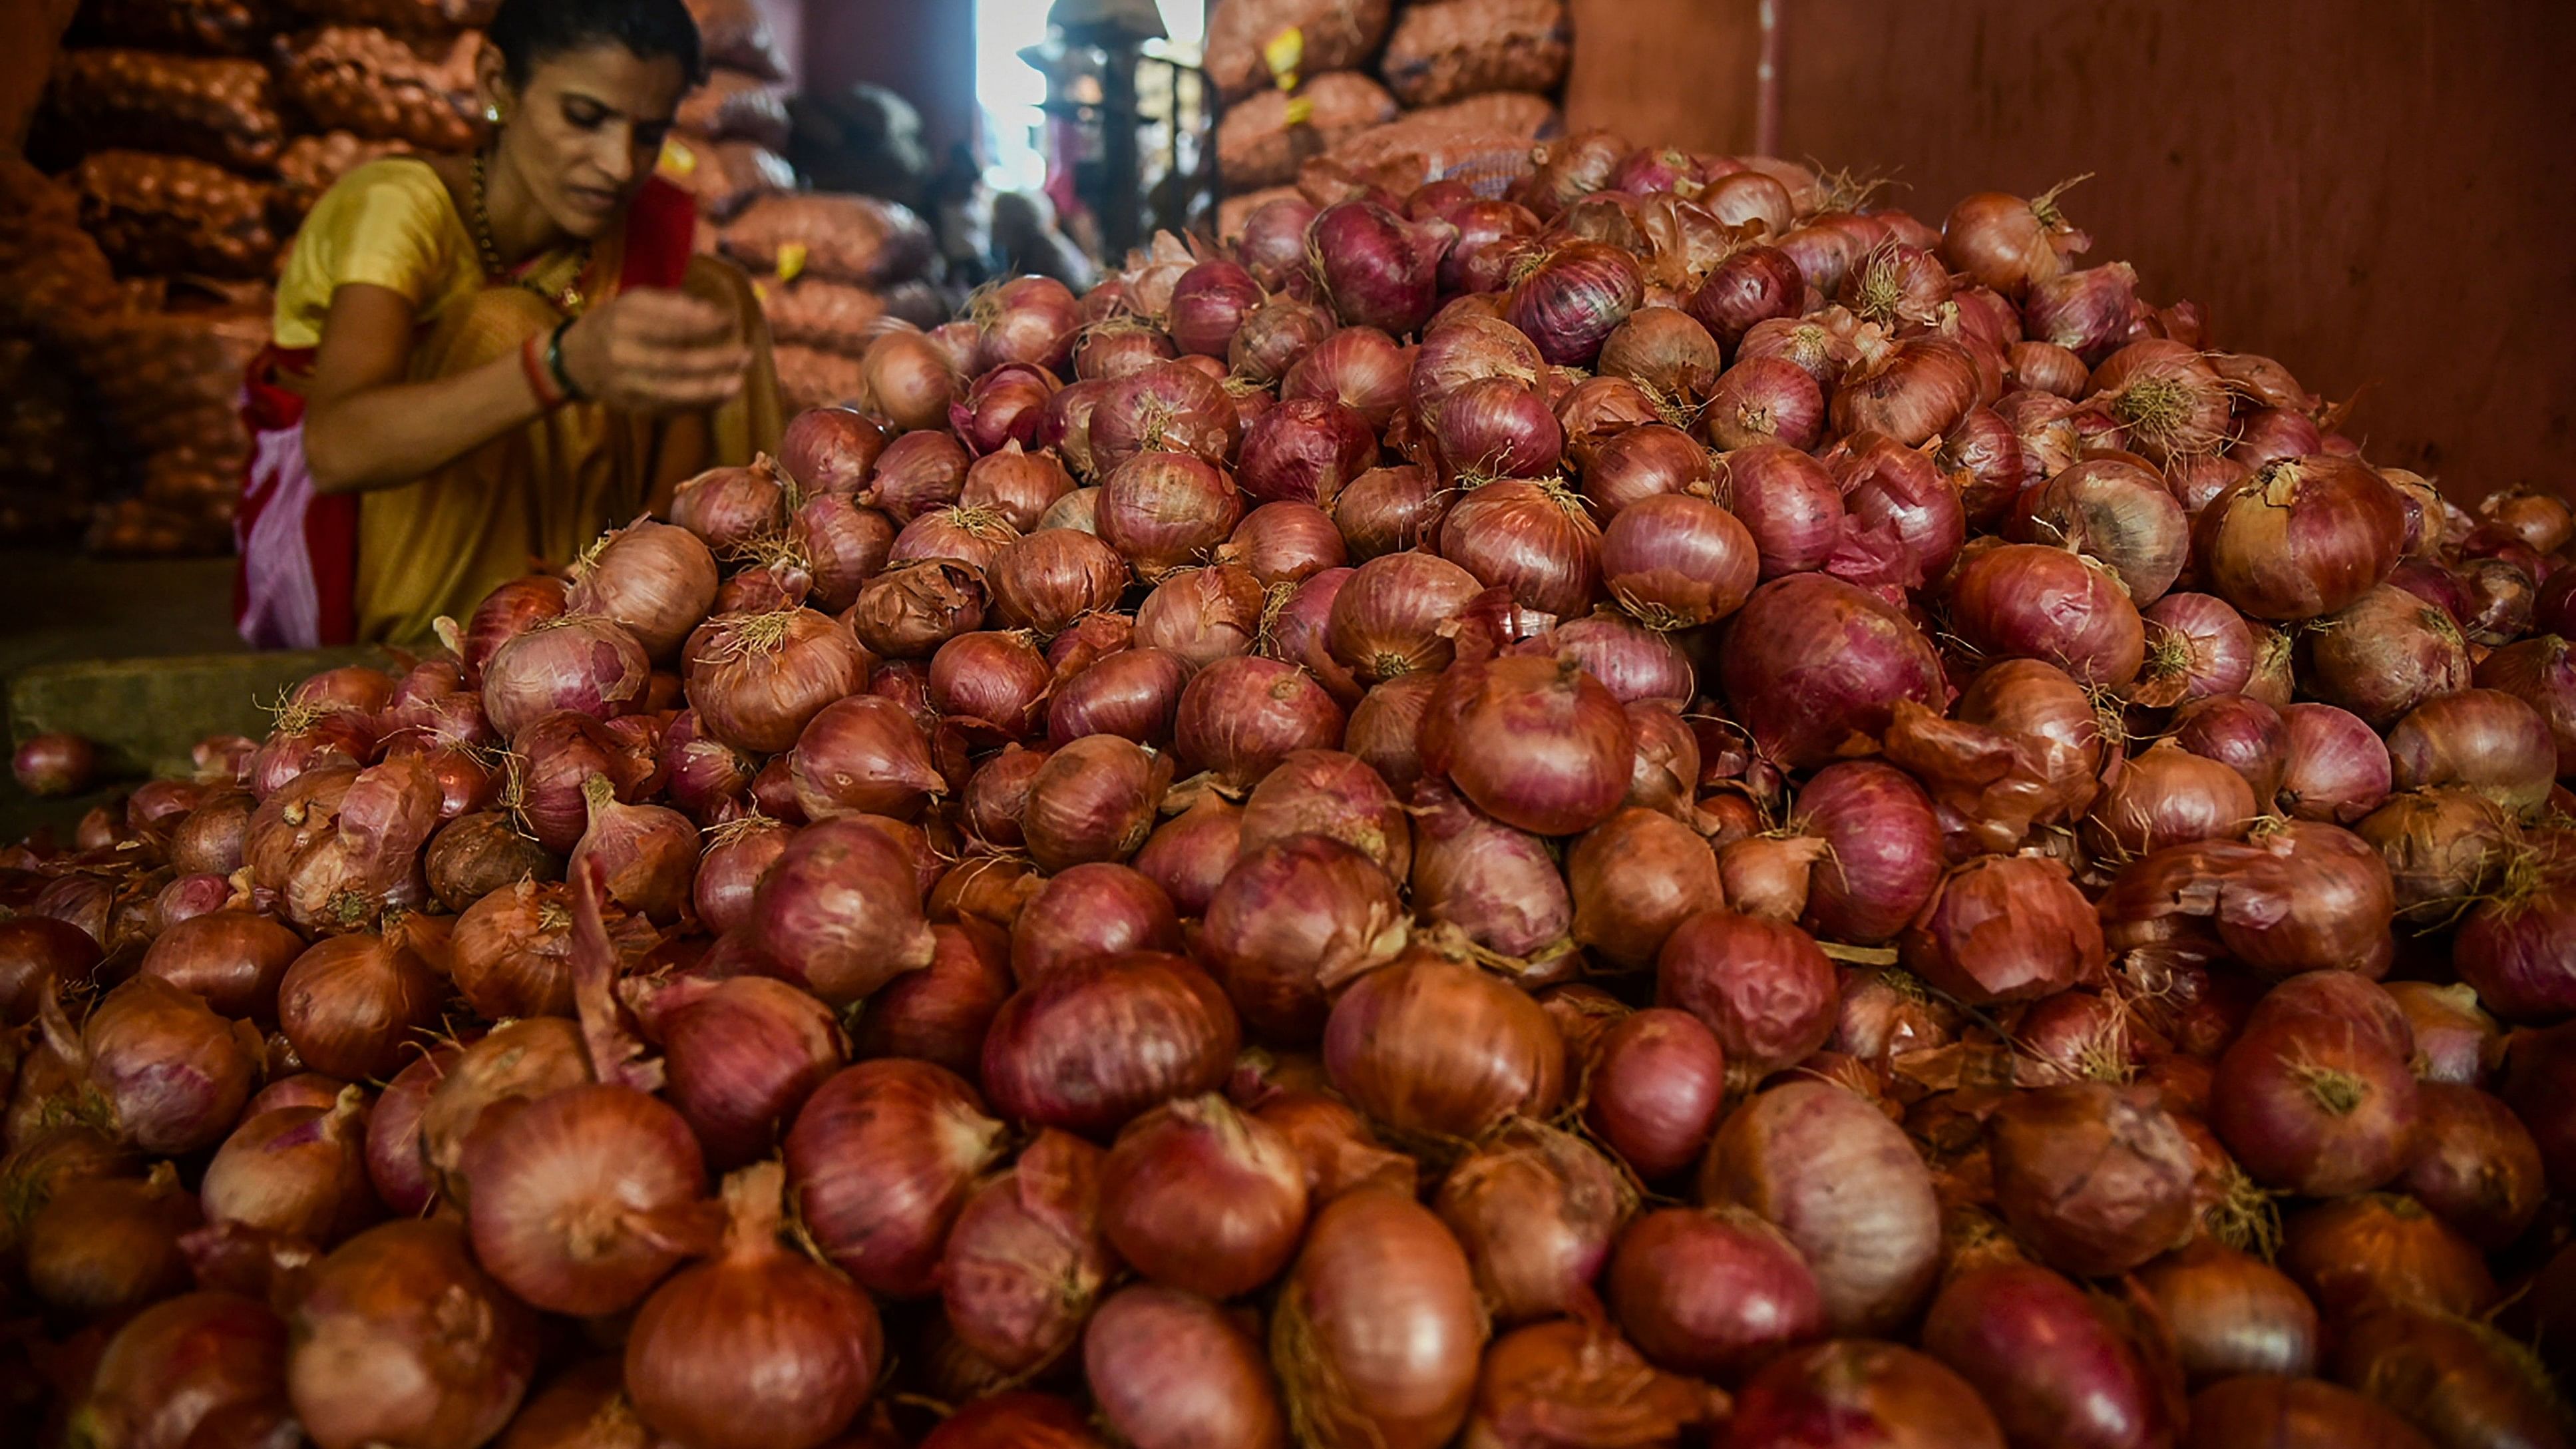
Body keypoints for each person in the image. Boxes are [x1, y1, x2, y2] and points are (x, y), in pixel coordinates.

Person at [236, 0, 782, 648]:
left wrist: (638, 574)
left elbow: (674, 474)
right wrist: (560, 364)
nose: (617, 163)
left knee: (718, 299)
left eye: (647, 132)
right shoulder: (398, 208)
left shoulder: (635, 234)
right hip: (369, 561)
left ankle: (731, 638)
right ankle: (482, 656)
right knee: (506, 322)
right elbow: (336, 450)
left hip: (578, 566)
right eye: (584, 118)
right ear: (497, 83)